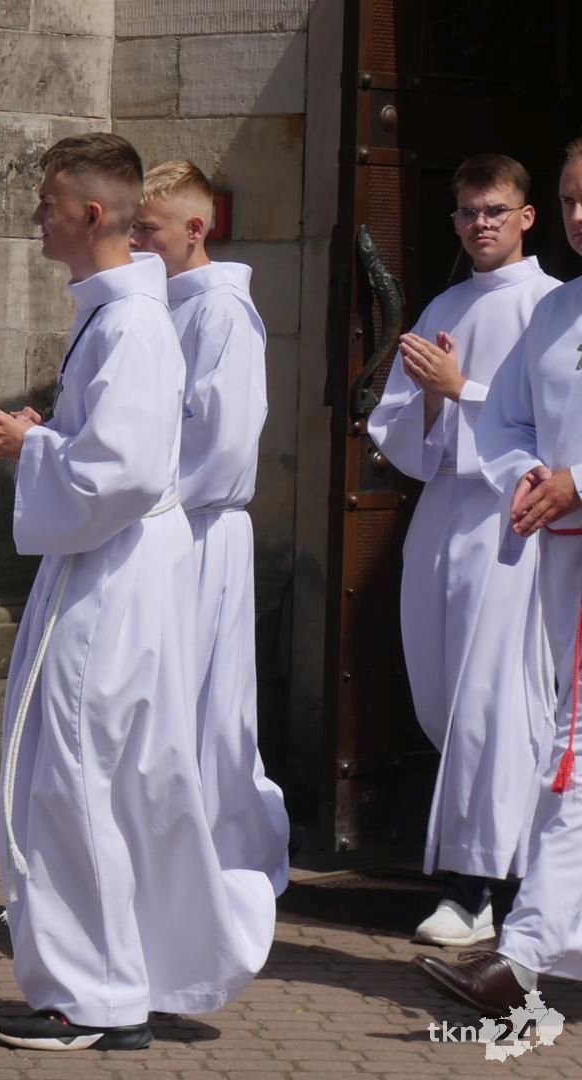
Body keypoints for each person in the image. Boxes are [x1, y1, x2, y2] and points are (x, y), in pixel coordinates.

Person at [0, 133, 271, 1051]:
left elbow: (130, 472)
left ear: (90, 214)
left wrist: (33, 447)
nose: (37, 217)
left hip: (114, 573)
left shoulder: (135, 322)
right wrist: (51, 434)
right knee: (102, 775)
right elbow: (116, 444)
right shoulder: (118, 313)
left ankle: (91, 995)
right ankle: (126, 975)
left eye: (48, 203)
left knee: (75, 773)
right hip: (107, 562)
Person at [367, 154, 558, 947]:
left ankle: (475, 888)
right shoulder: (444, 304)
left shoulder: (551, 306)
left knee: (493, 704)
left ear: (526, 216)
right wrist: (431, 403)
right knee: (441, 693)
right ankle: (520, 869)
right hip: (444, 513)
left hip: (513, 524)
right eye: (469, 212)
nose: (481, 224)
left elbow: (551, 427)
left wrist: (460, 390)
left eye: (495, 210)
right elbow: (396, 427)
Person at [417, 138, 582, 1013]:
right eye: (572, 200)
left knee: (564, 745)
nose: (579, 216)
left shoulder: (542, 299)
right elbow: (507, 421)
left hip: (560, 534)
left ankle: (516, 946)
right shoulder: (554, 312)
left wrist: (575, 480)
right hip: (543, 545)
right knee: (561, 745)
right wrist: (525, 472)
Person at [129, 161, 292, 900]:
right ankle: (165, 859)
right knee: (164, 698)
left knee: (205, 705)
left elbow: (220, 440)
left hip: (198, 525)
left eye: (148, 229)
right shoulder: (157, 304)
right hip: (166, 521)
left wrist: (140, 491)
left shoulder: (221, 311)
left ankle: (227, 859)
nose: (136, 242)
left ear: (195, 229)